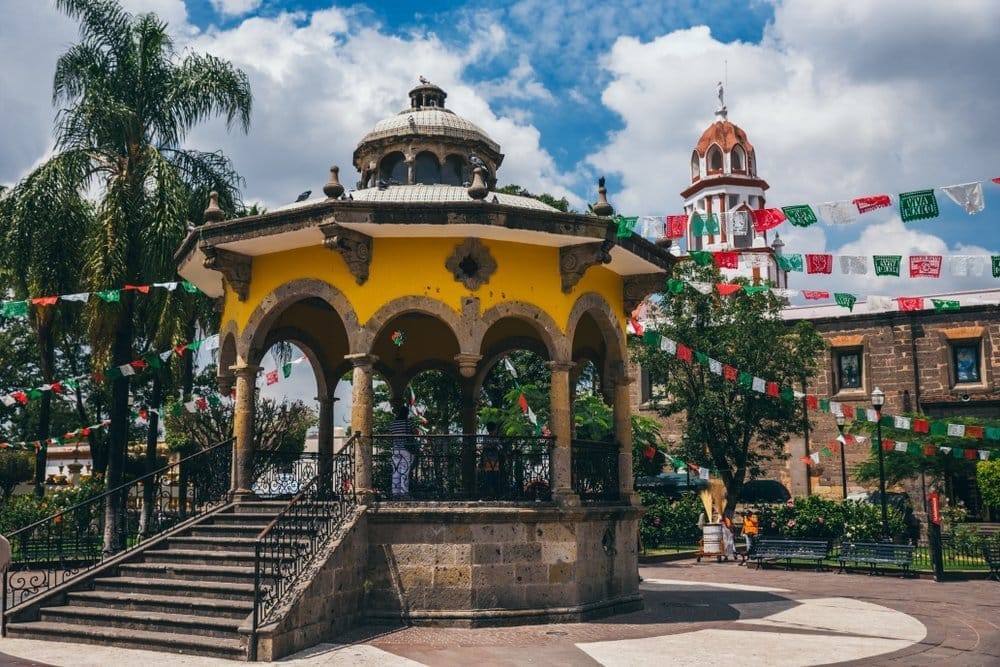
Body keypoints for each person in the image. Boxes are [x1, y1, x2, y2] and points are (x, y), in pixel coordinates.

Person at [389, 404, 417, 499]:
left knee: (395, 471)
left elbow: (390, 434)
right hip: (406, 449)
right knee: (404, 472)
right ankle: (404, 493)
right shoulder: (408, 422)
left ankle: (395, 493)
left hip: (395, 449)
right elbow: (415, 432)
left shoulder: (393, 423)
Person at [480, 422, 503, 499]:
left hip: (495, 461)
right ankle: (487, 495)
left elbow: (500, 447)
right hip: (488, 461)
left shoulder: (496, 438)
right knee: (488, 479)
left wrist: (493, 447)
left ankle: (496, 495)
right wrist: (494, 447)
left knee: (495, 479)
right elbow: (484, 447)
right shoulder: (487, 438)